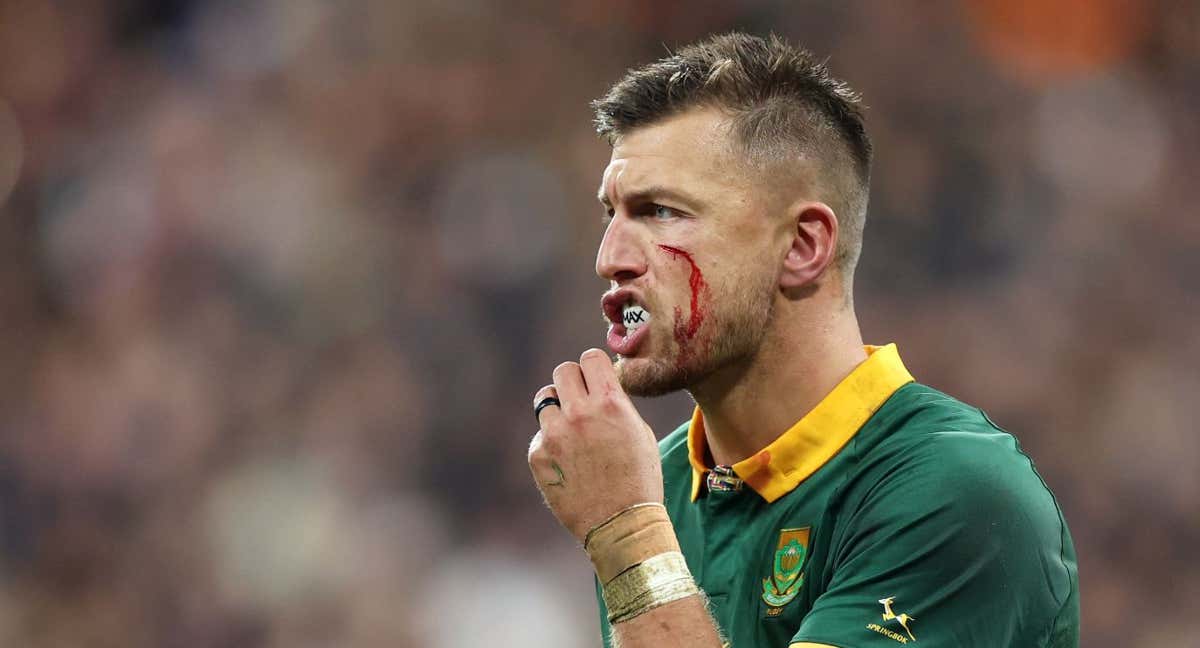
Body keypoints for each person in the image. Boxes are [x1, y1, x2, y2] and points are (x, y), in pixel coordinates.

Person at [527, 32, 1078, 648]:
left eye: (661, 212)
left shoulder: (956, 494)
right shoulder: (655, 484)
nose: (611, 258)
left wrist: (627, 539)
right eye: (612, 214)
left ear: (802, 246)